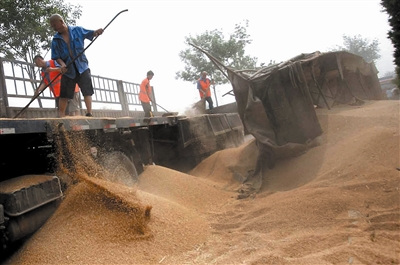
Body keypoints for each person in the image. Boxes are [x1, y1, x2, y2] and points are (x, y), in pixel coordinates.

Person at [49, 13, 104, 117]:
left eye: (54, 25)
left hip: (82, 66)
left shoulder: (77, 30)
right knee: (64, 94)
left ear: (61, 22)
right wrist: (62, 64)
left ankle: (89, 113)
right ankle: (61, 115)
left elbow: (91, 33)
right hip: (68, 69)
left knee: (87, 91)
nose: (53, 27)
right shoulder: (55, 40)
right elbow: (56, 56)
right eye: (52, 26)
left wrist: (97, 32)